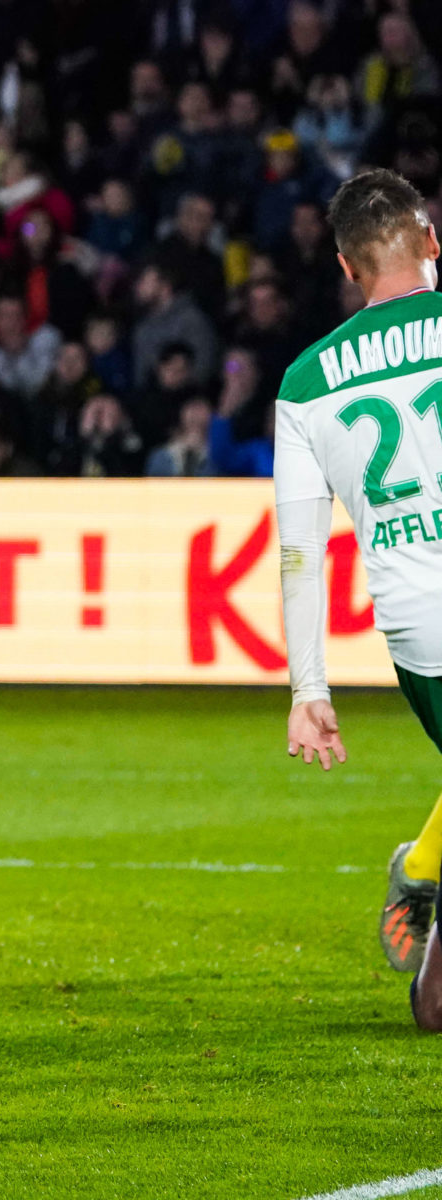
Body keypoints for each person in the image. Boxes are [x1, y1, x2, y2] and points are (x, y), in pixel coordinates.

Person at [272, 169, 442, 1025]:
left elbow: (300, 552)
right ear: (433, 245)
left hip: (418, 628)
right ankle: (419, 877)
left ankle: (421, 878)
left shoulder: (305, 384)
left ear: (345, 267)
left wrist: (310, 690)